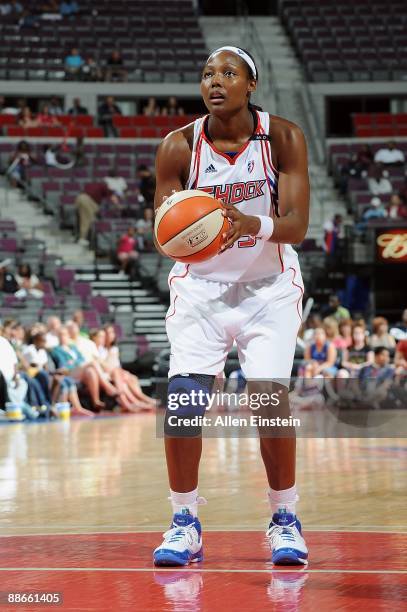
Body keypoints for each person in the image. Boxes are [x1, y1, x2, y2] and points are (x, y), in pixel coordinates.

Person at [152, 47, 309, 567]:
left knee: (268, 400)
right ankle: (184, 522)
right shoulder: (178, 147)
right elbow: (165, 232)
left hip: (268, 287)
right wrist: (195, 237)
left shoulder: (282, 137)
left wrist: (249, 224)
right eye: (206, 74)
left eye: (227, 73)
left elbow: (297, 226)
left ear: (251, 84)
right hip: (200, 290)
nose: (215, 82)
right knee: (182, 405)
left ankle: (284, 518)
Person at [75, 182, 121, 246]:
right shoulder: (106, 188)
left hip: (80, 198)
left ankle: (80, 237)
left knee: (85, 218)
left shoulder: (98, 185)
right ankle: (82, 238)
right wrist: (116, 203)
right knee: (87, 219)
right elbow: (113, 198)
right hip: (86, 200)